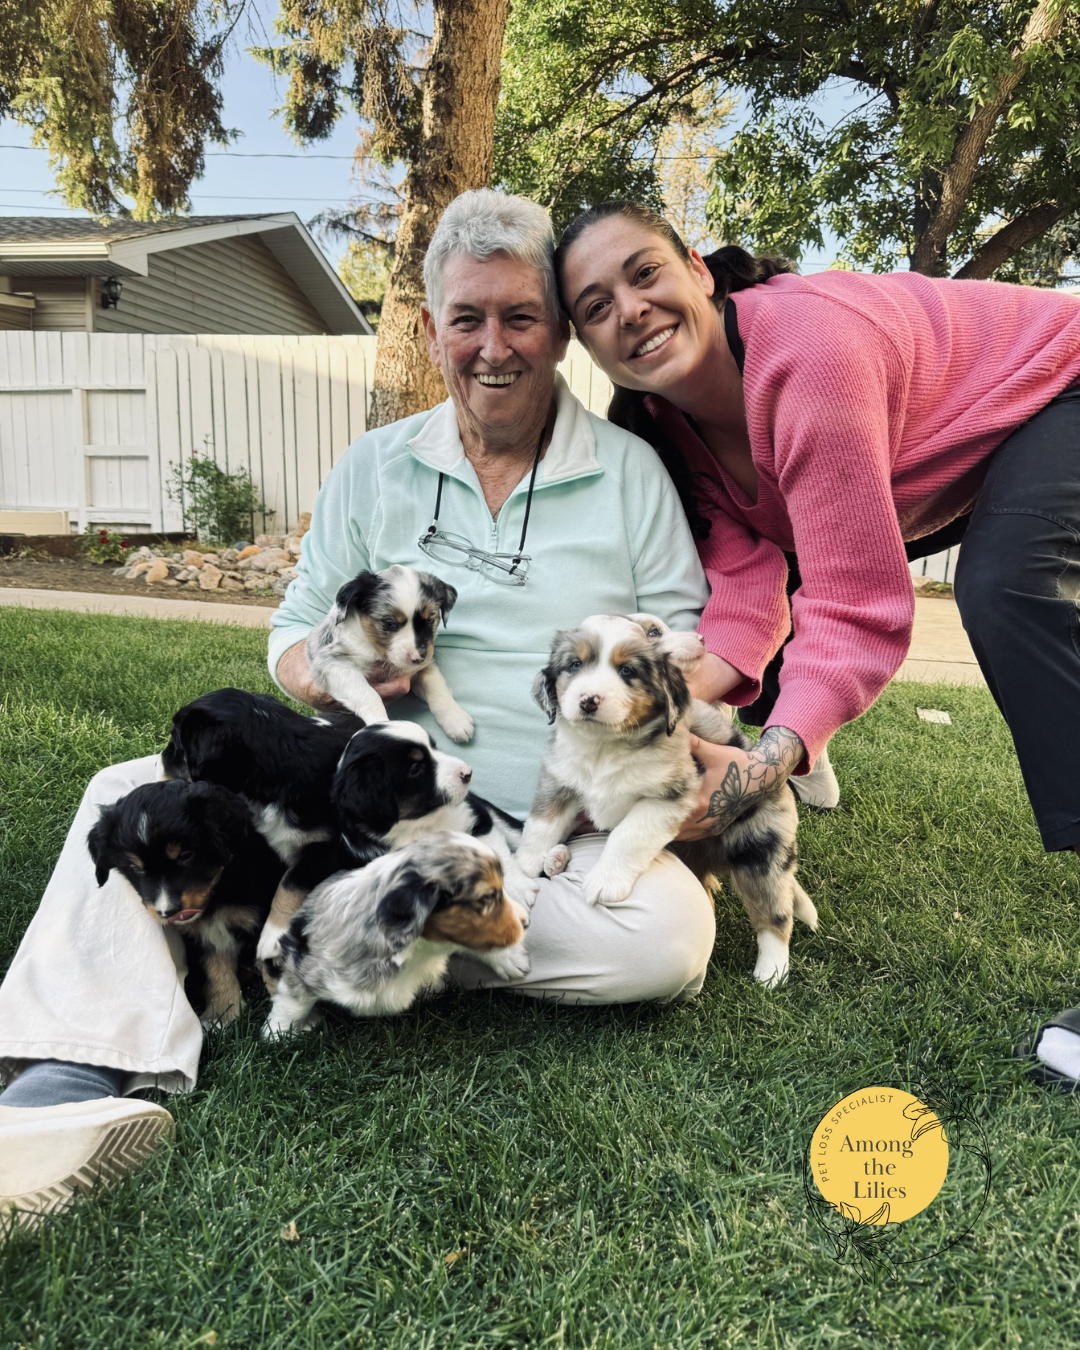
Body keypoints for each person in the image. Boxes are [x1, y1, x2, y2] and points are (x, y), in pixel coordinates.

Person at [0, 189, 716, 1231]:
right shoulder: (373, 466)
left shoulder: (631, 477)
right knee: (125, 791)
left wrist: (687, 775)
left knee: (669, 939)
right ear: (432, 331)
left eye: (521, 317)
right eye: (467, 319)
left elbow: (683, 655)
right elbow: (291, 630)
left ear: (558, 331)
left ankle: (343, 940)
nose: (494, 346)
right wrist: (321, 676)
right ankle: (78, 1069)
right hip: (354, 806)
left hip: (535, 833)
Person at [554, 199, 1080, 1089]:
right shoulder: (668, 435)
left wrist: (762, 769)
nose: (629, 309)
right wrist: (646, 728)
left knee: (1008, 586)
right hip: (977, 447)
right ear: (588, 346)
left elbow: (858, 605)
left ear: (698, 268)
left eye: (644, 273)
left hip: (1063, 377)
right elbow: (746, 607)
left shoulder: (808, 352)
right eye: (596, 307)